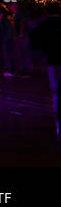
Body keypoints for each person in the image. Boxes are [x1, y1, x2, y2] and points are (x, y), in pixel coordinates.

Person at [28, 7, 61, 137]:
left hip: (54, 63)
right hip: (55, 61)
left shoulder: (39, 29)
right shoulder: (57, 21)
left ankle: (59, 126)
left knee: (58, 93)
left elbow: (34, 47)